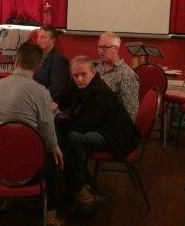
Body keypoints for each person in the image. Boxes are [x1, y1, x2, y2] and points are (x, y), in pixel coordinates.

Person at [0, 41, 65, 226]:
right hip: (28, 171)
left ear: (16, 61)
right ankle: (51, 217)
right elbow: (48, 135)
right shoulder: (41, 92)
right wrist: (55, 146)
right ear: (39, 66)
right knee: (56, 157)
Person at [56, 55, 138, 214]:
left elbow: (84, 125)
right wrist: (54, 102)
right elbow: (64, 97)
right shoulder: (78, 83)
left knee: (73, 138)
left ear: (93, 73)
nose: (79, 79)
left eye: (83, 74)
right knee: (67, 137)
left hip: (115, 136)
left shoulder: (99, 91)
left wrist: (60, 123)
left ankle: (80, 190)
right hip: (101, 128)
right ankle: (82, 185)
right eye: (75, 75)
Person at [95, 31, 139, 123]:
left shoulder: (126, 74)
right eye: (99, 47)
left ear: (116, 49)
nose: (101, 50)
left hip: (112, 124)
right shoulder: (98, 68)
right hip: (95, 116)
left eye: (105, 47)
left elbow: (130, 113)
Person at [33, 25, 69, 100]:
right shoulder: (36, 58)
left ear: (53, 40)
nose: (38, 40)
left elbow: (56, 90)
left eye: (43, 37)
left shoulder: (59, 61)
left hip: (46, 101)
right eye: (38, 37)